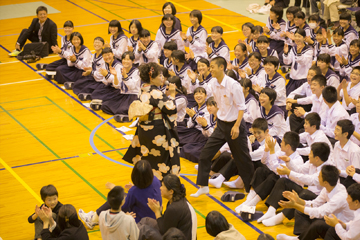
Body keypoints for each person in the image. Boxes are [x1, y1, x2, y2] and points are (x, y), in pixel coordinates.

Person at [190, 57, 253, 197]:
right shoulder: (213, 83)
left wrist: (236, 126)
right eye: (210, 67)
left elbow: (241, 107)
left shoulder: (233, 85)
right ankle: (203, 186)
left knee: (242, 158)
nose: (210, 69)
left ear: (221, 67)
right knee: (205, 155)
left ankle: (249, 188)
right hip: (221, 125)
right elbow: (216, 101)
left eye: (212, 66)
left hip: (235, 125)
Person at [123, 62, 180, 180]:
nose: (163, 78)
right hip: (156, 130)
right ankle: (162, 183)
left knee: (148, 157)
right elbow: (171, 108)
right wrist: (172, 95)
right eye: (160, 76)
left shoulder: (142, 90)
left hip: (144, 129)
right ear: (151, 78)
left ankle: (148, 182)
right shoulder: (156, 93)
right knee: (162, 159)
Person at [260, 142, 330, 227]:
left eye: (310, 153)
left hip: (318, 199)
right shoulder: (311, 162)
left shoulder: (326, 169)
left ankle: (279, 218)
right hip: (307, 191)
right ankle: (271, 210)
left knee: (304, 194)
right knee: (283, 181)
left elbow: (310, 180)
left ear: (317, 158)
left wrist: (289, 172)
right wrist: (289, 161)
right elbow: (299, 170)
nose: (308, 155)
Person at [276, 165, 354, 240]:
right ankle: (302, 237)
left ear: (325, 182)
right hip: (333, 221)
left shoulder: (340, 196)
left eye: (319, 176)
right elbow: (315, 204)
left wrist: (295, 205)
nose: (317, 177)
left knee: (318, 224)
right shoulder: (328, 187)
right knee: (303, 212)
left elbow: (318, 212)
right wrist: (298, 200)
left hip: (343, 229)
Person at [79, 160, 162, 229]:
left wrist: (115, 188)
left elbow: (123, 207)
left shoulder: (134, 191)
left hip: (140, 222)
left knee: (116, 198)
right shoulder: (156, 180)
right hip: (155, 218)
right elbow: (145, 193)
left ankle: (93, 219)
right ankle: (94, 217)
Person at [236, 132, 303, 214]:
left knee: (274, 177)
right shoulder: (283, 153)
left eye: (282, 142)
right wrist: (267, 150)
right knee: (261, 170)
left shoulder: (297, 160)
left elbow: (277, 170)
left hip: (290, 191)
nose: (280, 143)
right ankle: (249, 201)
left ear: (288, 146)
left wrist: (272, 150)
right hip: (280, 185)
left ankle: (253, 203)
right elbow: (263, 161)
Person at [142, 174, 197, 240]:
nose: (160, 188)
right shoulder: (177, 200)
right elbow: (167, 224)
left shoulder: (174, 208)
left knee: (145, 230)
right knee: (146, 220)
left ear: (171, 191)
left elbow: (164, 231)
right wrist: (159, 211)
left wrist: (157, 212)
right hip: (180, 235)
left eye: (162, 186)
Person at [283, 28, 313, 95]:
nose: (297, 38)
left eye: (299, 36)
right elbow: (287, 62)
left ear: (304, 38)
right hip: (293, 78)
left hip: (303, 79)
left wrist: (299, 53)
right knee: (287, 96)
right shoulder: (293, 48)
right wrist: (285, 53)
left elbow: (303, 62)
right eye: (295, 36)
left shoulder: (309, 50)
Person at [332, 120, 360, 188]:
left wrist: (339, 172)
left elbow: (355, 173)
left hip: (348, 181)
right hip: (336, 176)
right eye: (335, 129)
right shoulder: (336, 144)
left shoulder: (354, 150)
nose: (334, 132)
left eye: (337, 130)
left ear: (345, 134)